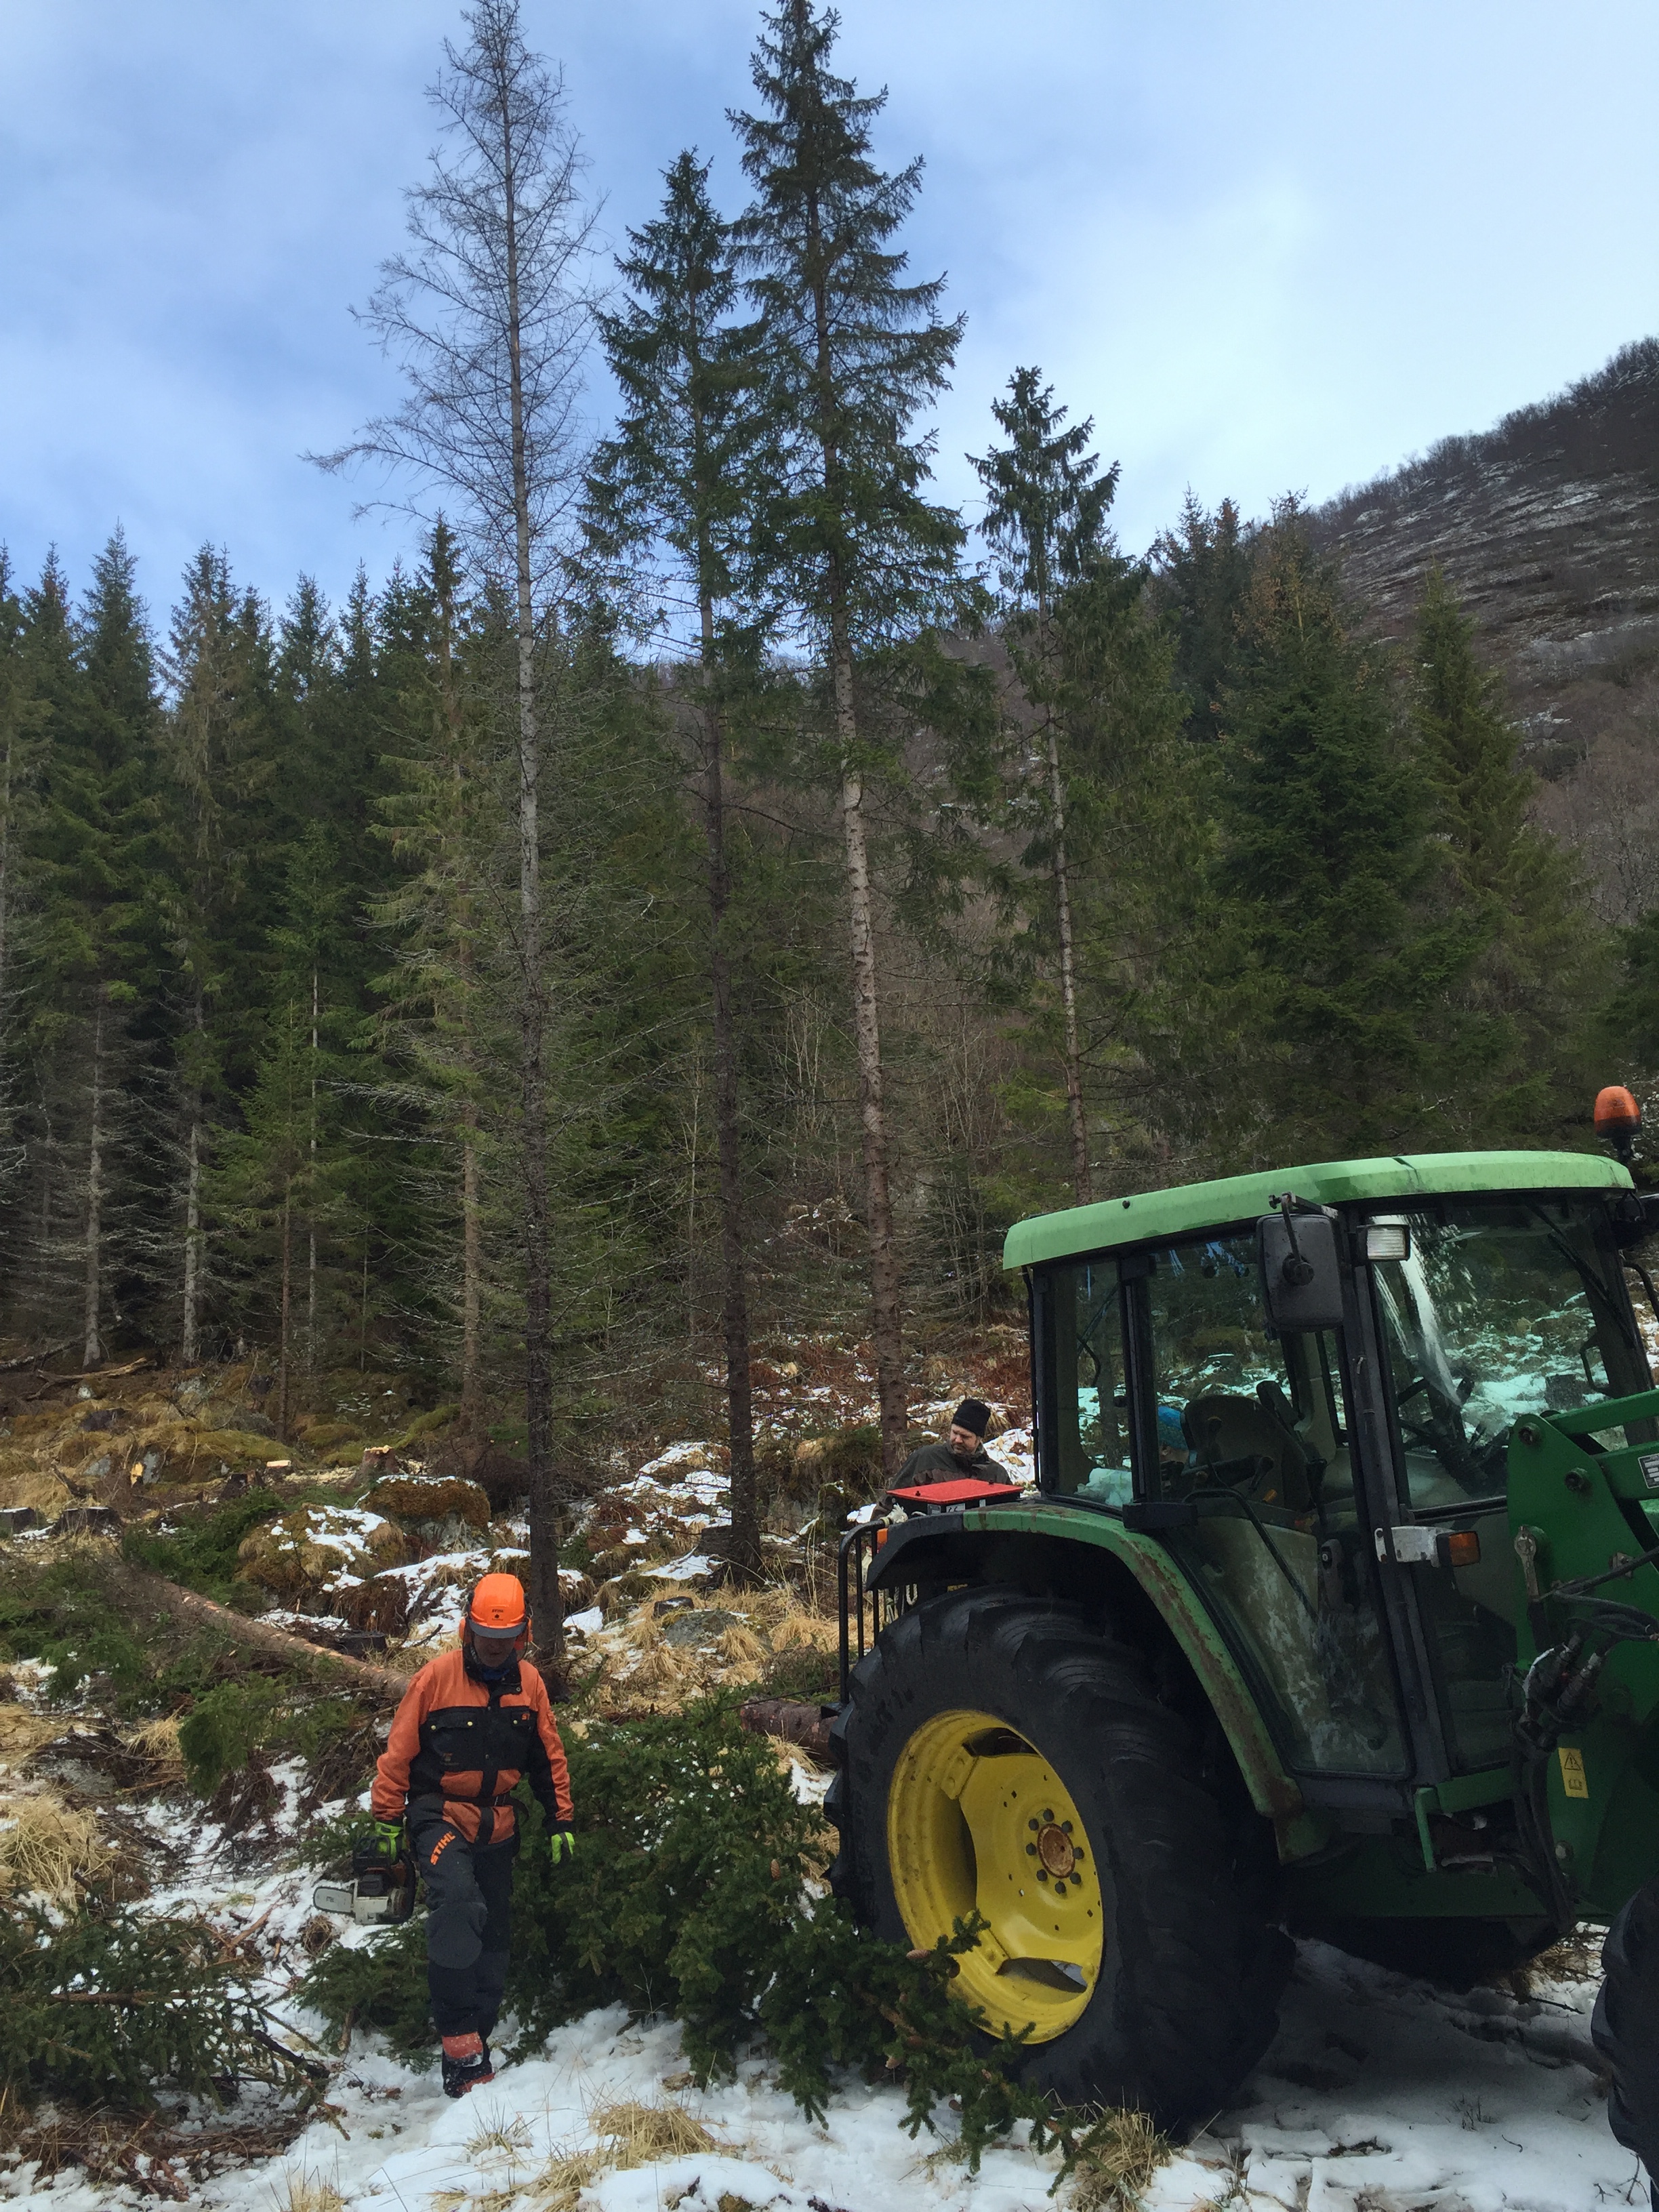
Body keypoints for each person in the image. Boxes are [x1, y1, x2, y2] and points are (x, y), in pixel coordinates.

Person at [370, 1572, 575, 2098]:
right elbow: (398, 1754)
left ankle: (477, 2035)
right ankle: (459, 2039)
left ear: (522, 1637)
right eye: (486, 1637)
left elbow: (547, 1757)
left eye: (504, 1641)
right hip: (439, 1813)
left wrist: (561, 1820)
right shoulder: (435, 1679)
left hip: (499, 1820)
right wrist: (386, 1820)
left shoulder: (529, 1684)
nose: (494, 1648)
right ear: (468, 1629)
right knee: (459, 1903)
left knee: (496, 1934)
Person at [893, 1399, 1012, 1488]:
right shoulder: (925, 1460)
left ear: (979, 1439)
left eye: (965, 1436)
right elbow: (890, 1505)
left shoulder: (997, 1475)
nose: (958, 1440)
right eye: (955, 1433)